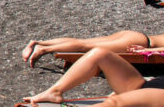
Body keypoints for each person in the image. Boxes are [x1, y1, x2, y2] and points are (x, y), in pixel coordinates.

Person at [24, 47, 164, 107]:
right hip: (151, 84)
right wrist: (151, 50)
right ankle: (54, 92)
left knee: (116, 102)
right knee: (99, 53)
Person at [21, 30, 164, 67]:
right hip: (144, 43)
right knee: (85, 47)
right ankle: (43, 50)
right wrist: (146, 51)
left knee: (82, 42)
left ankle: (39, 43)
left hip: (136, 35)